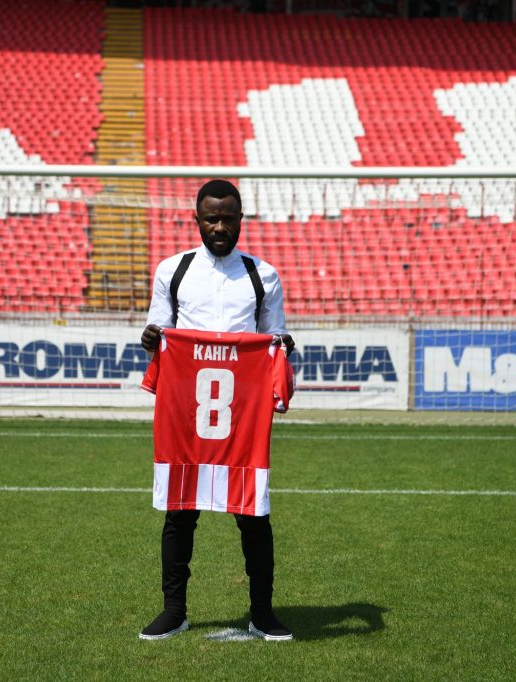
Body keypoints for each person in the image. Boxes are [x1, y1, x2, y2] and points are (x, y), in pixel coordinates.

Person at [139, 179, 296, 642]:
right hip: (187, 414)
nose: (220, 226)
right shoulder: (174, 270)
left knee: (253, 514)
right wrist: (150, 337)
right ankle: (174, 611)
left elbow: (277, 339)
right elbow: (158, 329)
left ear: (241, 219)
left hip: (241, 417)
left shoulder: (261, 275)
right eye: (212, 218)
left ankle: (262, 613)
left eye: (229, 218)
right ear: (197, 219)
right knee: (180, 512)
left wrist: (283, 348)